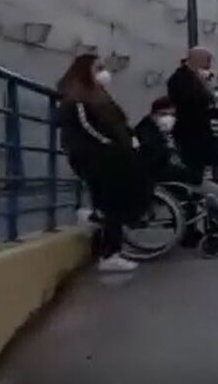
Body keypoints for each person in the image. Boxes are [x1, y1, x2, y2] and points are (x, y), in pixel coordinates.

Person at [56, 54, 152, 272]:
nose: (104, 73)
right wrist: (115, 145)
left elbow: (117, 121)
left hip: (108, 154)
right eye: (98, 68)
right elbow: (89, 128)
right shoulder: (77, 98)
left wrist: (129, 139)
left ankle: (94, 218)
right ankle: (109, 254)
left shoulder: (98, 95)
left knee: (116, 198)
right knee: (114, 201)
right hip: (94, 156)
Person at [135, 97, 218, 240]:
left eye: (172, 115)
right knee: (214, 191)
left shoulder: (153, 129)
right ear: (155, 113)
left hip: (171, 173)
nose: (170, 119)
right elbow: (156, 159)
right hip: (166, 177)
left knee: (211, 191)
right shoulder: (147, 132)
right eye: (166, 115)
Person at [167, 47, 217, 185]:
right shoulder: (179, 78)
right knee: (192, 170)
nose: (208, 66)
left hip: (201, 130)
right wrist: (201, 84)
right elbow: (187, 101)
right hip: (189, 132)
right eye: (206, 62)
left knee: (200, 171)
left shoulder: (197, 78)